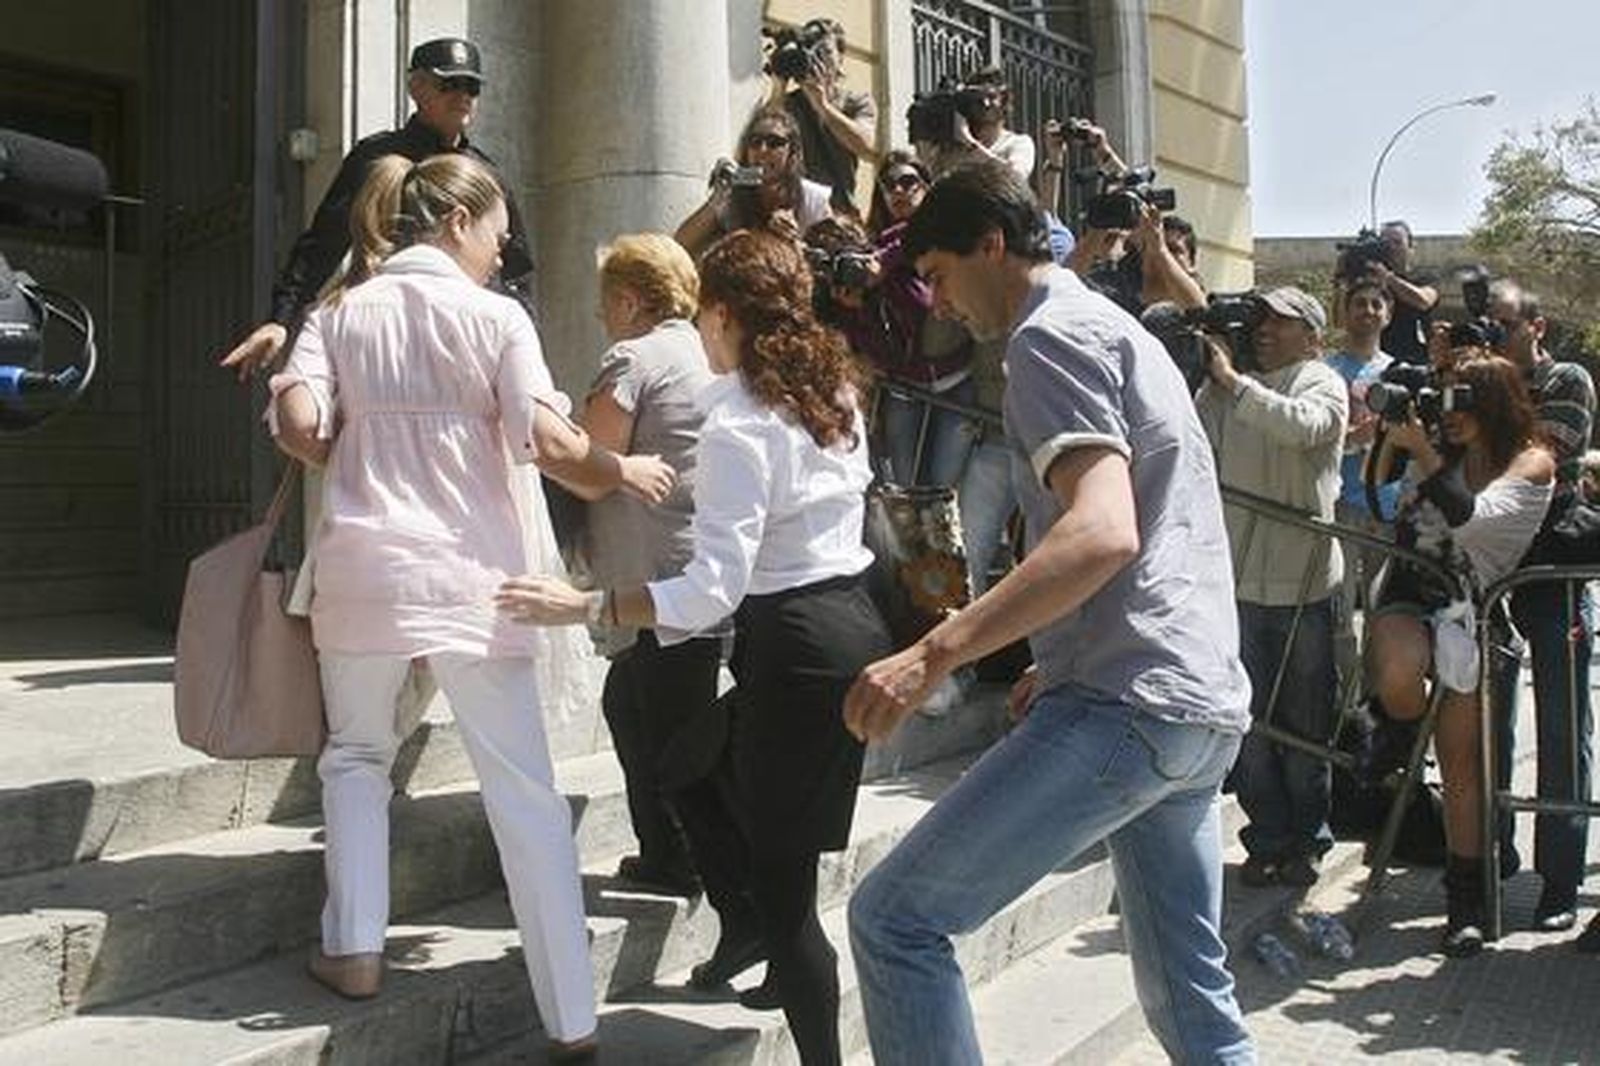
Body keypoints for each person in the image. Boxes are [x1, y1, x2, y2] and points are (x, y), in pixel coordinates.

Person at [843, 161, 1255, 1065]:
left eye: (940, 275)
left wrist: (935, 652)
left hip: (1129, 702)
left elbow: (1103, 530)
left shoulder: (1047, 338)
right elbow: (1158, 516)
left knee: (894, 923)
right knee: (1195, 1005)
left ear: (992, 244)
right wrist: (1058, 650)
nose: (939, 305)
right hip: (1194, 701)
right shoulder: (1116, 327)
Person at [268, 153, 667, 1061]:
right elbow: (549, 441)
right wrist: (622, 471)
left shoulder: (340, 312)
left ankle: (356, 950)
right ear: (456, 222)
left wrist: (358, 455)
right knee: (523, 795)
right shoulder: (496, 318)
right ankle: (572, 1019)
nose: (504, 248)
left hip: (364, 569)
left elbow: (298, 425)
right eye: (498, 231)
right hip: (477, 584)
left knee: (358, 757)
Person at [497, 230, 893, 1066]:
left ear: (720, 316)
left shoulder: (741, 425)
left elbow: (714, 588)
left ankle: (815, 1040)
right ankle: (761, 937)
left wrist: (585, 605)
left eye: (705, 320)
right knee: (695, 761)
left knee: (788, 898)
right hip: (849, 624)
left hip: (793, 642)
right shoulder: (837, 393)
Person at [1366, 354, 1554, 956]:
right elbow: (1387, 499)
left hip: (1474, 613)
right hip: (1410, 593)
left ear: (1495, 404)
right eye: (1445, 398)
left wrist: (1424, 453)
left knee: (1463, 770)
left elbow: (1472, 520)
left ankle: (1464, 902)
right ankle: (1397, 735)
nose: (1450, 414)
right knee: (1396, 669)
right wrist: (1396, 439)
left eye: (1463, 401)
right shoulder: (1437, 444)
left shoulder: (1531, 461)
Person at [221, 37, 533, 377]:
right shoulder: (376, 157)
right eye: (450, 83)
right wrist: (280, 319)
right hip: (389, 328)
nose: (462, 96)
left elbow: (516, 269)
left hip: (464, 336)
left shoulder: (485, 173)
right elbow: (323, 243)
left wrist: (522, 346)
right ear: (416, 88)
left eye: (472, 86)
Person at [577, 234, 719, 898]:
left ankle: (691, 860)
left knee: (664, 726)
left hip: (658, 575)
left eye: (605, 302)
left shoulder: (633, 358)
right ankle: (669, 852)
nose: (602, 317)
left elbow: (591, 469)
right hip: (697, 569)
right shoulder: (704, 353)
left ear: (630, 299)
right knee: (638, 707)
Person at [1195, 287, 1347, 888]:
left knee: (1305, 725)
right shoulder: (1226, 385)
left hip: (1303, 583)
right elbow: (1191, 437)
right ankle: (1267, 838)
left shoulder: (1321, 380)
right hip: (1238, 581)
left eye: (1278, 321)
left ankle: (1308, 840)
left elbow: (1305, 428)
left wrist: (1235, 384)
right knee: (1249, 725)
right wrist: (1207, 377)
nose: (1263, 330)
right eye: (1260, 320)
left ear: (1311, 334)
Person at [1483, 278, 1597, 938]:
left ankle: (1561, 877)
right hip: (1491, 565)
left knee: (1562, 723)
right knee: (1486, 714)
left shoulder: (1569, 380)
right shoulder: (1479, 381)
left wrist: (1489, 397)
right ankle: (1492, 851)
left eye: (1503, 327)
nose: (1493, 339)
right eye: (1487, 329)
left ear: (1537, 327)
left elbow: (1539, 460)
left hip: (1554, 563)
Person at [807, 210, 974, 488]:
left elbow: (936, 227)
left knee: (943, 485)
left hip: (956, 385)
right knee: (904, 483)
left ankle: (937, 531)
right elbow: (885, 358)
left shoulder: (894, 252)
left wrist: (884, 263)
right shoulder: (841, 311)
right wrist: (857, 311)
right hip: (904, 390)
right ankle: (912, 532)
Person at [1324, 280, 1400, 684]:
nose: (1368, 311)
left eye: (1376, 304)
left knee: (1381, 615)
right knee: (1339, 615)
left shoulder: (1398, 372)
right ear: (1345, 311)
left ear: (1388, 314)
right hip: (1340, 506)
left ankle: (1375, 706)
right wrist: (1350, 440)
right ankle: (1343, 708)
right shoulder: (1325, 371)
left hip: (1388, 507)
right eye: (1359, 303)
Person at [675, 109, 833, 260]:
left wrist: (793, 240)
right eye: (755, 142)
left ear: (792, 151)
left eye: (774, 142)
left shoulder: (814, 199)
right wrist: (716, 198)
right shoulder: (732, 196)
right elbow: (680, 245)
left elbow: (829, 260)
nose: (762, 150)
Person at [766, 16, 877, 215]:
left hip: (837, 213)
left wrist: (823, 106)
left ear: (840, 57)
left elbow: (865, 146)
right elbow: (764, 136)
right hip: (791, 213)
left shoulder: (857, 101)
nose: (818, 58)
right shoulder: (788, 102)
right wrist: (778, 85)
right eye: (810, 51)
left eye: (825, 51)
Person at [1367, 220, 1439, 367]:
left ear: (1411, 247)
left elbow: (1423, 301)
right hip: (1379, 363)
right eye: (1386, 243)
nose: (1392, 248)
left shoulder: (1425, 277)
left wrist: (1387, 278)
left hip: (1418, 362)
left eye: (1397, 242)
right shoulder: (1371, 281)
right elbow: (1341, 321)